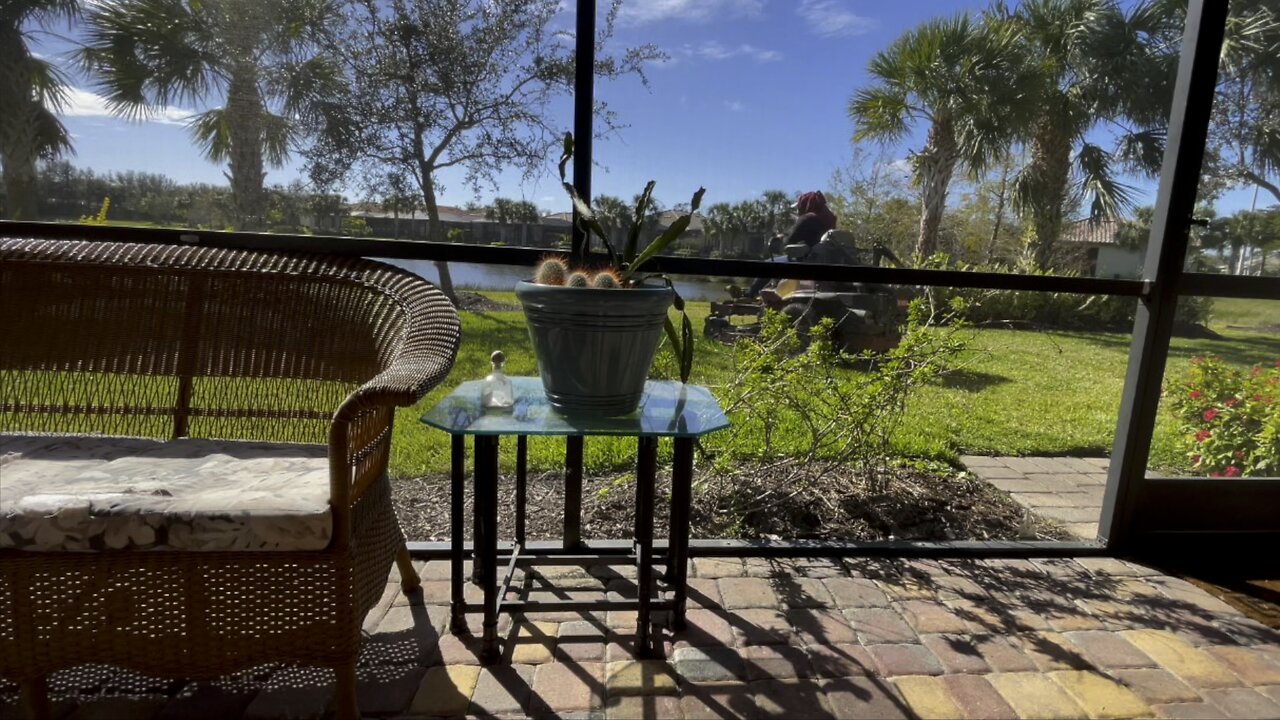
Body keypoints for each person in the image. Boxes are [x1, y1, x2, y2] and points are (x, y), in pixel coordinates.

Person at [745, 191, 838, 298]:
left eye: (798, 207)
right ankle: (770, 291)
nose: (798, 210)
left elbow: (788, 241)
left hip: (804, 261)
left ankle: (750, 295)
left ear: (805, 205)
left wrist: (781, 237)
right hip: (820, 261)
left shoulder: (808, 218)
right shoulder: (828, 221)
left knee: (767, 264)